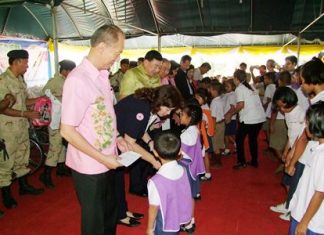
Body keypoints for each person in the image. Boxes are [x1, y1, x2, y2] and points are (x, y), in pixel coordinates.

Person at [60, 25, 129, 235]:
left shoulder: (102, 75)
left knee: (109, 215)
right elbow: (67, 131)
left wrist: (116, 137)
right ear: (101, 46)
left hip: (107, 160)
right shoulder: (77, 80)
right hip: (90, 165)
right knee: (94, 223)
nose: (117, 58)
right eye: (116, 52)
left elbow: (104, 114)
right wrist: (102, 157)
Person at [114, 85, 183, 226]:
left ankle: (122, 211)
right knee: (116, 180)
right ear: (161, 102)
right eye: (168, 109)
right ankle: (119, 214)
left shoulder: (148, 104)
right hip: (111, 141)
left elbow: (139, 130)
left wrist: (150, 142)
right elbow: (130, 142)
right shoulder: (142, 109)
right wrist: (153, 160)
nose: (169, 113)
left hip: (119, 139)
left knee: (118, 179)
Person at [0, 49, 44, 210]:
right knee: (6, 163)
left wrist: (39, 99)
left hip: (21, 128)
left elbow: (24, 101)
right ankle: (6, 195)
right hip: (7, 130)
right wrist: (26, 113)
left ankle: (24, 187)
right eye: (25, 62)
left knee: (22, 158)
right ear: (17, 61)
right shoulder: (3, 81)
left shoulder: (20, 80)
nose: (27, 66)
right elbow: (1, 108)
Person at [270, 87, 306, 221]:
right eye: (279, 106)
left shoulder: (300, 114)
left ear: (288, 102)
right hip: (292, 149)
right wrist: (286, 150)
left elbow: (301, 138)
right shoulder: (288, 113)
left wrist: (291, 155)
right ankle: (288, 204)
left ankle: (293, 209)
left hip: (300, 153)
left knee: (295, 182)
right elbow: (291, 135)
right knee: (287, 180)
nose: (280, 109)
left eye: (282, 106)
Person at [38, 60, 76, 188]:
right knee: (55, 145)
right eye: (71, 71)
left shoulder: (66, 80)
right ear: (65, 70)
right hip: (55, 119)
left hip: (63, 118)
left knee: (62, 145)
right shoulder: (55, 81)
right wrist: (56, 98)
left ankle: (60, 168)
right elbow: (44, 96)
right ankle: (46, 174)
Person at [146, 131, 192, 235]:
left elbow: (153, 208)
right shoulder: (183, 169)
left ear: (155, 153)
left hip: (164, 223)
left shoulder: (155, 181)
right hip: (178, 216)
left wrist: (149, 228)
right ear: (179, 150)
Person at [288, 101, 324, 235]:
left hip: (311, 221)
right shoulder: (316, 147)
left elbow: (320, 193)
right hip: (303, 212)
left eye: (307, 123)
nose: (306, 126)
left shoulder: (322, 155)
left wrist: (304, 222)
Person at [230, 69, 266, 170]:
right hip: (259, 118)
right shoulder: (251, 87)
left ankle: (241, 162)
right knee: (252, 139)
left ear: (236, 79)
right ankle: (254, 161)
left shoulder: (239, 89)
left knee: (239, 139)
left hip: (249, 119)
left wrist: (232, 113)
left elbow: (241, 105)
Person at [178, 104, 205, 233]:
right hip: (192, 168)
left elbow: (179, 154)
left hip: (185, 169)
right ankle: (189, 221)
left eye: (182, 114)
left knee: (185, 196)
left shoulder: (187, 135)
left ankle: (187, 222)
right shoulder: (194, 130)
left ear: (190, 118)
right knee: (190, 196)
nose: (180, 116)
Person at [194, 88, 214, 181]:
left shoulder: (203, 109)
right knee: (203, 154)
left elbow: (203, 122)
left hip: (203, 134)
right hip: (203, 134)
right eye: (195, 97)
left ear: (204, 98)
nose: (196, 99)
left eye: (198, 97)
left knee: (204, 155)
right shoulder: (205, 107)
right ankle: (204, 172)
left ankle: (207, 172)